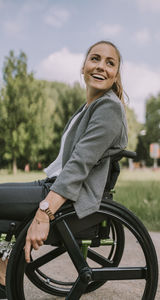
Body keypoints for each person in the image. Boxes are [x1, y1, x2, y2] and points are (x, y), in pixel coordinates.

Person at [0, 40, 128, 298]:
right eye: (95, 59)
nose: (101, 66)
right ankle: (3, 268)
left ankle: (2, 275)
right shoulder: (89, 108)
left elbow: (79, 165)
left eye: (109, 62)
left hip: (69, 197)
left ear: (115, 75)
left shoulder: (109, 108)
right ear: (83, 67)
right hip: (55, 185)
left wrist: (43, 213)